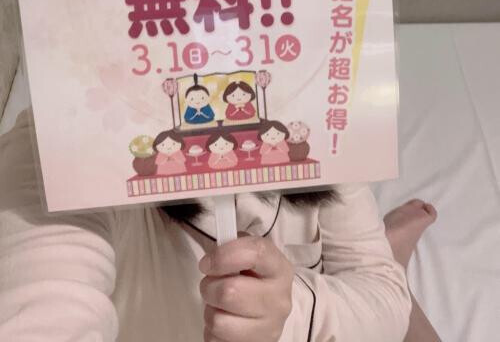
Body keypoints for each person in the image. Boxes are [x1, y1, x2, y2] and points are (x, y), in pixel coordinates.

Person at [0, 109, 440, 341]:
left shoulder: (317, 121)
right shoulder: (57, 152)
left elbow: (384, 299)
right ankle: (389, 251)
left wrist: (288, 311)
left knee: (389, 305)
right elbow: (43, 305)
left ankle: (387, 251)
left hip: (308, 300)